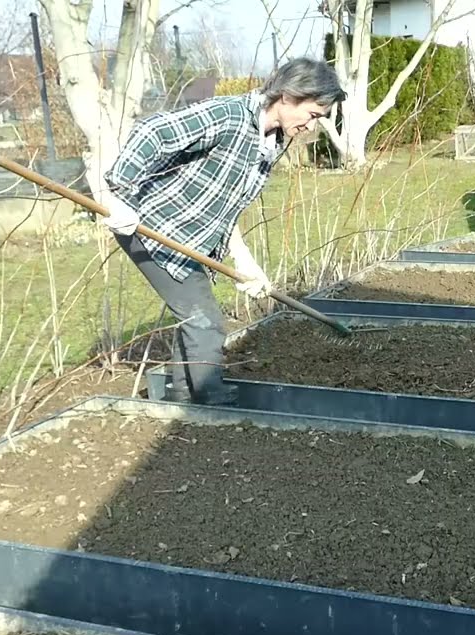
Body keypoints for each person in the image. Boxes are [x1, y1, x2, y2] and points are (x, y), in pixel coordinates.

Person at [101, 58, 346, 405]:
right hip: (152, 227)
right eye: (313, 114)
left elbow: (227, 200)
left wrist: (244, 260)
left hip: (190, 236)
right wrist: (120, 196)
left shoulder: (273, 141)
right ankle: (207, 401)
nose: (312, 126)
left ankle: (185, 396)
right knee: (205, 320)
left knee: (195, 316)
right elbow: (152, 132)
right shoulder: (228, 116)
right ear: (289, 97)